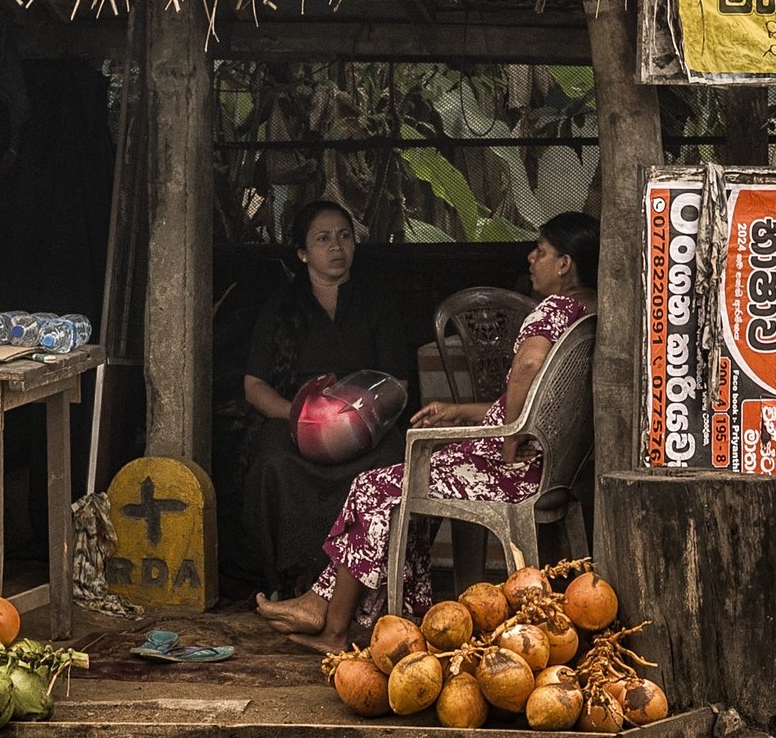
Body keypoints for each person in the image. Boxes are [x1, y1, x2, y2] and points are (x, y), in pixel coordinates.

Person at [256, 212, 600, 653]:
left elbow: (530, 367)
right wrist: (461, 411)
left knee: (374, 488)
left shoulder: (554, 308)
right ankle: (329, 603)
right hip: (551, 468)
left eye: (541, 251)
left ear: (565, 264)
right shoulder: (591, 309)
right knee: (401, 485)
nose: (531, 258)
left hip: (515, 467)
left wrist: (512, 436)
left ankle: (334, 626)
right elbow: (538, 398)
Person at [227, 200, 418, 599]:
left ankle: (372, 586)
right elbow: (254, 385)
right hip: (295, 425)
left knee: (389, 463)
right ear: (302, 253)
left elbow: (397, 382)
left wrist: (356, 420)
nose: (337, 247)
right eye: (323, 239)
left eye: (345, 237)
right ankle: (295, 581)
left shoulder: (376, 303)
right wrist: (300, 418)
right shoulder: (280, 305)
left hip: (367, 426)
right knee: (273, 463)